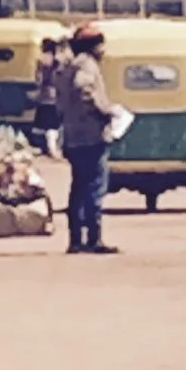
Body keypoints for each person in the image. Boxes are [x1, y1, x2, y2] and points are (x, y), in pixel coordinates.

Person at [53, 23, 117, 253]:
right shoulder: (86, 66)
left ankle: (76, 240)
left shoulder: (65, 68)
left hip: (72, 136)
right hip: (91, 136)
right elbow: (84, 90)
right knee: (94, 188)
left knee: (78, 188)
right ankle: (93, 238)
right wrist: (104, 112)